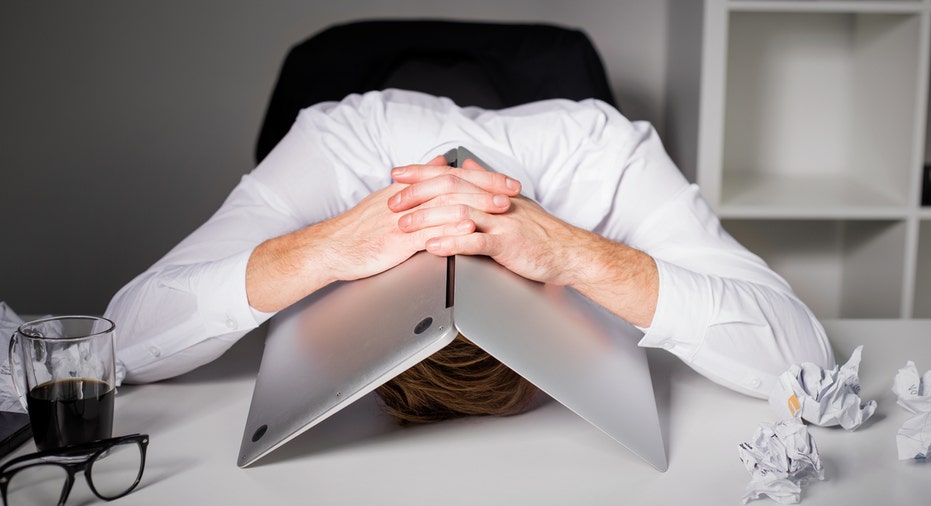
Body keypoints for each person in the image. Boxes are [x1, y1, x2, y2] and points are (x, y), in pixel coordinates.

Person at [104, 89, 835, 423]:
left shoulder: (606, 158)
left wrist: (574, 254)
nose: (457, 238)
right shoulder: (334, 148)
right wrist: (328, 248)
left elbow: (806, 365)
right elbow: (119, 346)